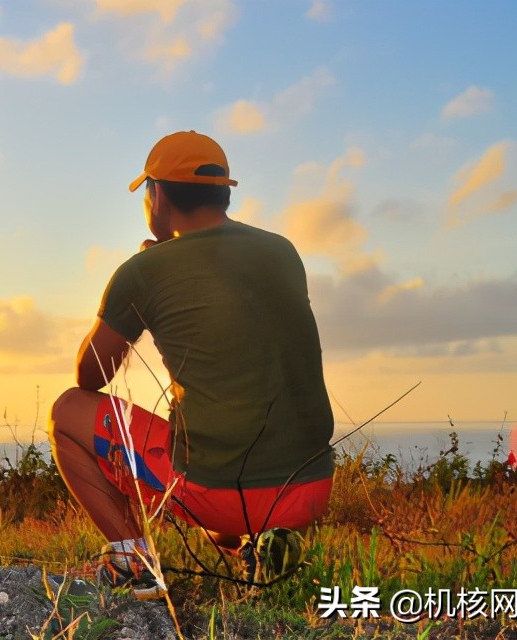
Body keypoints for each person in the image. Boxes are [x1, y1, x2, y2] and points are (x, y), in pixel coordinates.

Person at [49, 131, 335, 600]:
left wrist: (136, 290)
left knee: (66, 411)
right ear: (223, 193)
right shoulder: (282, 251)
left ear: (157, 195)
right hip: (310, 488)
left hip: (220, 494)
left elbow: (90, 377)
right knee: (216, 435)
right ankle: (260, 549)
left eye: (147, 192)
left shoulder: (143, 272)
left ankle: (130, 562)